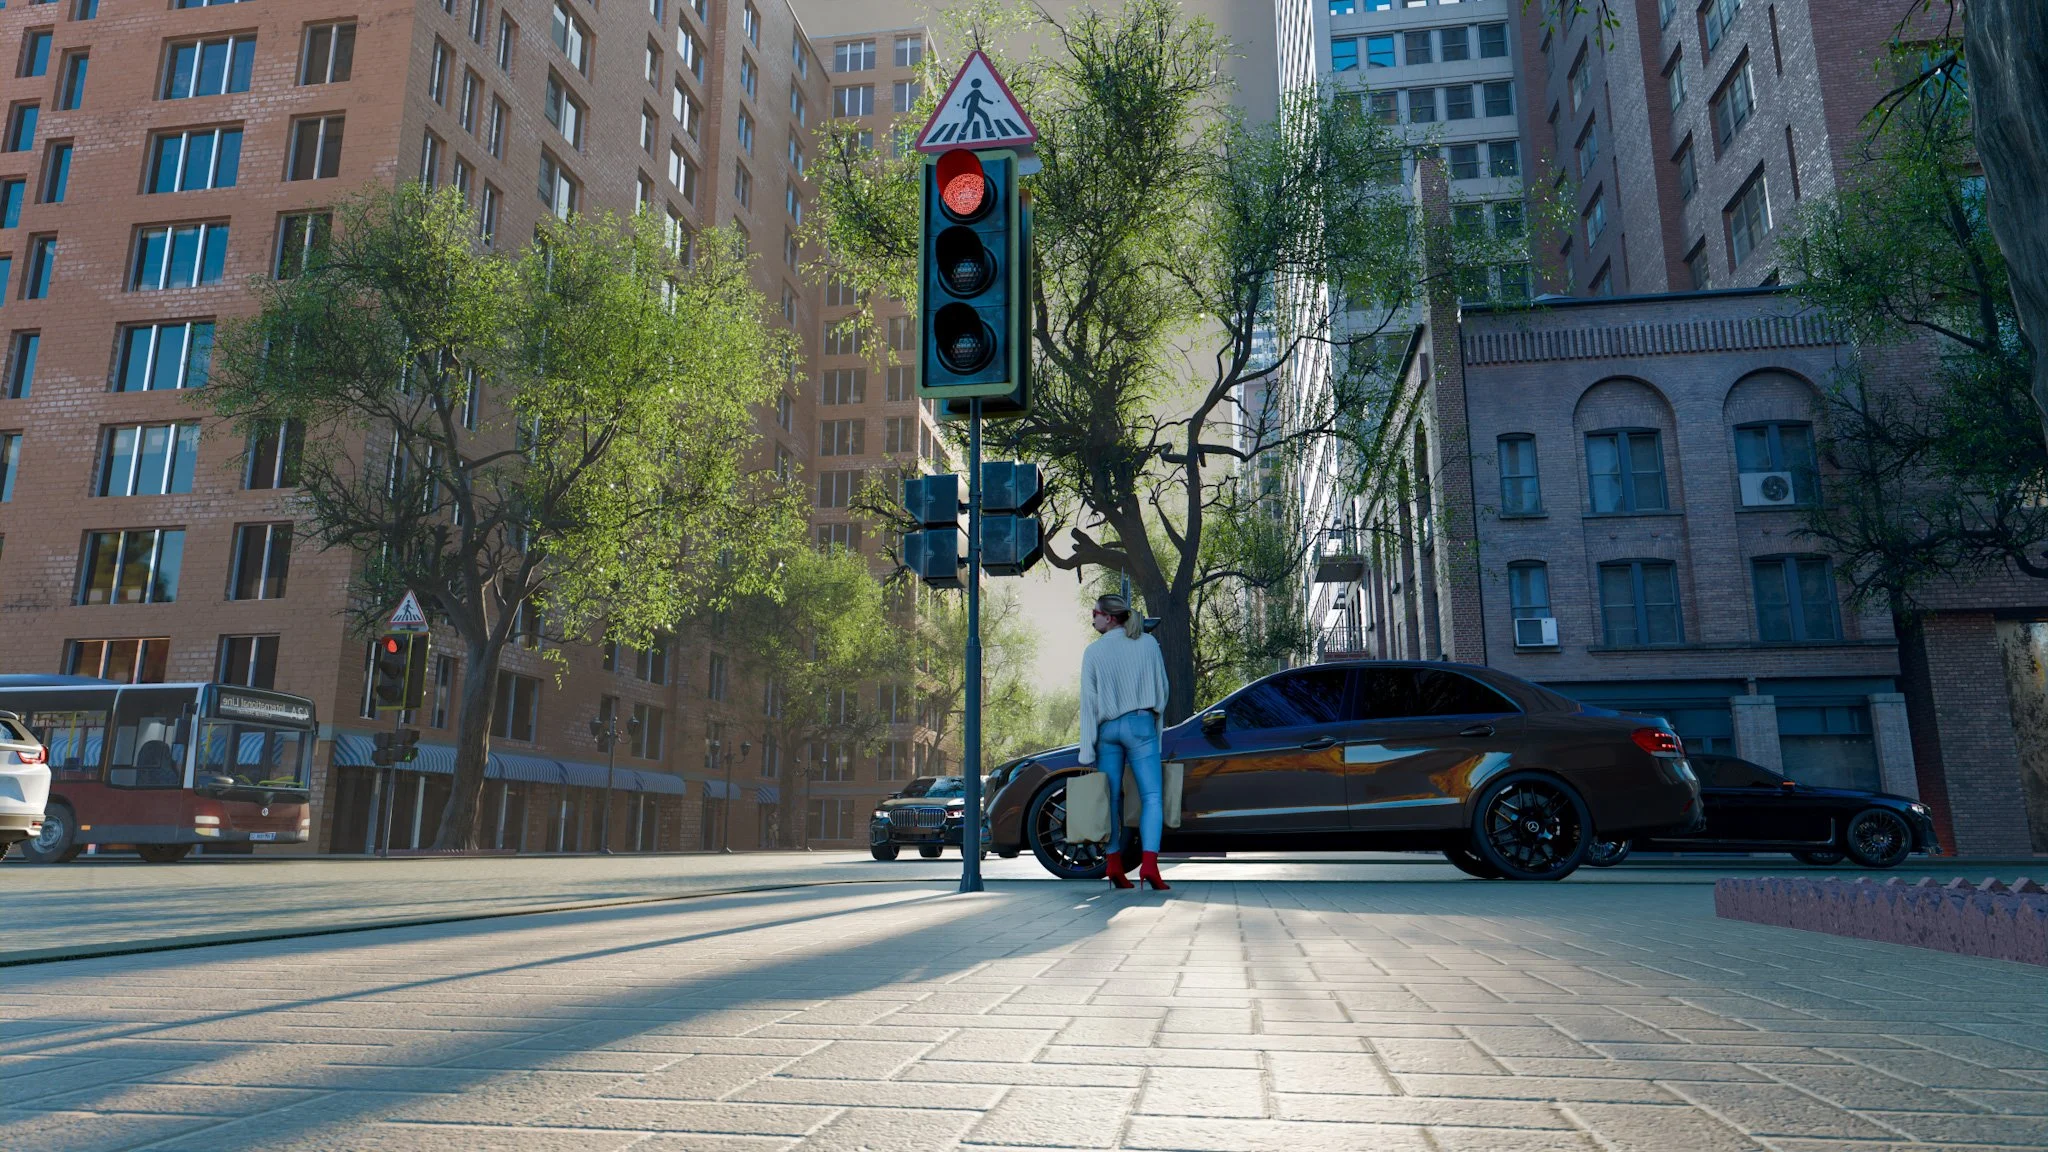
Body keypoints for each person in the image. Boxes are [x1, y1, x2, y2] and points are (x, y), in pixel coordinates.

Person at [1078, 593, 1171, 890]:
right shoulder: (1147, 643)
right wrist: (1153, 717)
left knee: (1111, 799)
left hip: (1107, 730)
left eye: (1094, 612)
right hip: (1140, 723)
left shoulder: (1092, 652)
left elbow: (1088, 704)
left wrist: (1086, 748)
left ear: (1109, 617)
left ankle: (1115, 863)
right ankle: (1150, 867)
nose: (1092, 618)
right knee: (1152, 797)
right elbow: (1162, 689)